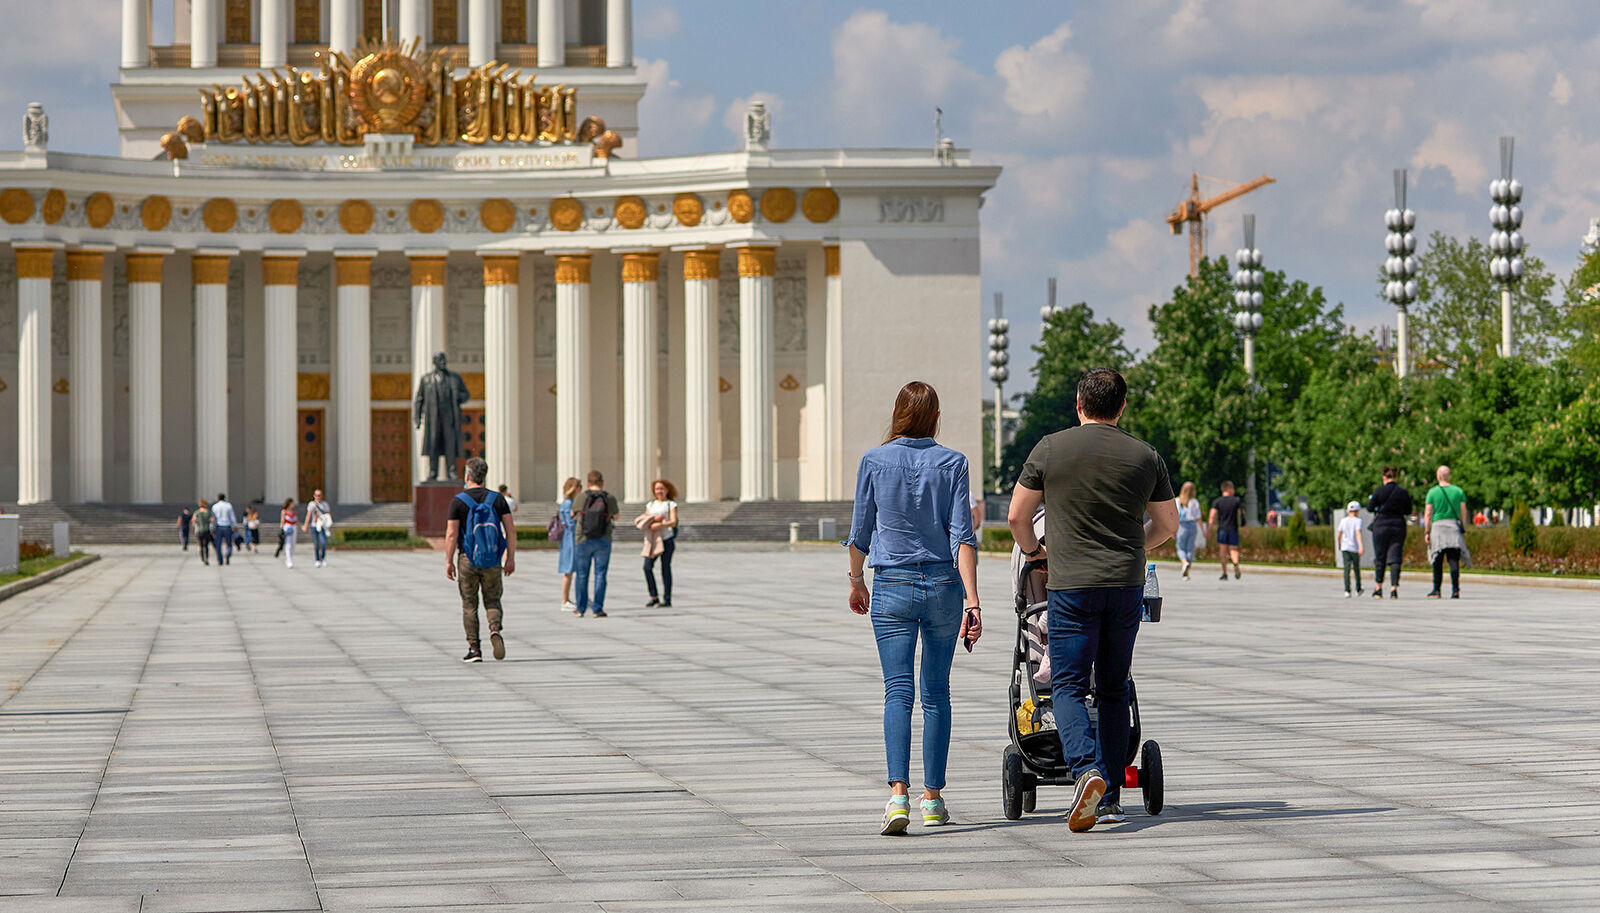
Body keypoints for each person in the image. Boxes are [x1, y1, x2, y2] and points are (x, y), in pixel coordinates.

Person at [1008, 367, 1178, 832]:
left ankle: (1086, 772)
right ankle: (1111, 799)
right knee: (1113, 687)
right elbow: (1167, 526)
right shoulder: (1145, 455)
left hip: (1070, 586)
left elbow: (1018, 517)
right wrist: (1134, 548)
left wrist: (1036, 554)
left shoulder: (1050, 448)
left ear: (1079, 404)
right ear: (1121, 407)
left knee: (1065, 684)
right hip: (1125, 585)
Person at [847, 381, 980, 836]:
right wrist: (974, 602)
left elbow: (860, 530)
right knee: (937, 693)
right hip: (944, 585)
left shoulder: (873, 460)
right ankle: (933, 800)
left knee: (897, 692)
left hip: (892, 584)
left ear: (897, 413)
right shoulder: (954, 462)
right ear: (936, 417)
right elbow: (962, 534)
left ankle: (897, 796)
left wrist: (855, 580)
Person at [445, 457, 516, 661]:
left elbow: (451, 534)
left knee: (469, 604)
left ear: (467, 476)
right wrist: (510, 558)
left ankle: (474, 649)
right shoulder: (497, 499)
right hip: (492, 558)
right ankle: (494, 628)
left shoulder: (458, 501)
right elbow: (510, 531)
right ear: (484, 476)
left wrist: (449, 561)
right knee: (493, 599)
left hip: (468, 558)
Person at [572, 470, 618, 618]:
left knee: (582, 575)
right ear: (602, 482)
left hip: (583, 539)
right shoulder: (609, 497)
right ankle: (597, 609)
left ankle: (580, 608)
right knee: (600, 574)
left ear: (587, 482)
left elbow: (573, 515)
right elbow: (615, 516)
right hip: (603, 539)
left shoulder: (581, 497)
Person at [1424, 464, 1469, 599]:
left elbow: (1428, 513)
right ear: (1449, 476)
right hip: (1453, 527)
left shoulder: (1432, 492)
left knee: (1437, 560)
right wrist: (1462, 524)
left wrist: (1427, 531)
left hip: (1438, 528)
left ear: (1438, 476)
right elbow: (1463, 511)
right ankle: (1455, 590)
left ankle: (1436, 590)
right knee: (1453, 560)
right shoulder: (1458, 491)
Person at [1367, 466, 1413, 600]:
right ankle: (1394, 589)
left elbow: (1370, 508)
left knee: (1380, 557)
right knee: (1395, 557)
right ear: (1396, 477)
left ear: (1384, 477)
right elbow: (1408, 510)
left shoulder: (1379, 491)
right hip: (1398, 526)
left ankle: (1378, 587)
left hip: (1381, 526)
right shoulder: (1402, 492)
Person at [636, 479, 679, 607]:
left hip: (666, 539)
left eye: (662, 489)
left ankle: (667, 599)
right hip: (653, 540)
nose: (659, 491)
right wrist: (653, 520)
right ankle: (654, 596)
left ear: (667, 490)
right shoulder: (651, 505)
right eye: (657, 489)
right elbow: (647, 518)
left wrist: (661, 524)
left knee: (665, 568)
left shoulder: (671, 504)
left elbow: (673, 522)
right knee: (647, 567)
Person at [1209, 481, 1244, 580]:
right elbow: (1242, 514)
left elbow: (1212, 517)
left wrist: (1209, 528)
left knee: (1223, 551)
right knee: (1233, 549)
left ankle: (1224, 573)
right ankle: (1236, 563)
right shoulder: (1236, 500)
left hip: (1222, 529)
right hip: (1233, 528)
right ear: (1229, 489)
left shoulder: (1217, 501)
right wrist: (1244, 526)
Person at [556, 477, 581, 611]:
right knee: (569, 570)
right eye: (579, 487)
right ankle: (564, 600)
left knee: (574, 570)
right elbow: (569, 523)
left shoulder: (572, 502)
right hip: (570, 539)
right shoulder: (568, 503)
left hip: (573, 538)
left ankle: (576, 598)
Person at [1175, 481, 1206, 579]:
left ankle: (1184, 562)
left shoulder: (1177, 501)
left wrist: (1172, 530)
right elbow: (1198, 518)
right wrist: (1203, 531)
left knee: (1180, 547)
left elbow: (1174, 517)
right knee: (1190, 548)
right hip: (1192, 525)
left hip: (1181, 525)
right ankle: (1187, 571)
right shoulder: (1194, 502)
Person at [1336, 501, 1365, 597]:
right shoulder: (1358, 521)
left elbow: (1339, 534)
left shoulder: (1343, 521)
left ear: (1348, 511)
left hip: (1345, 547)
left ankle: (1347, 590)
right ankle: (1358, 588)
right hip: (1354, 548)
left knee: (1346, 569)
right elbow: (1358, 533)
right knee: (1356, 568)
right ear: (1358, 511)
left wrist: (1339, 544)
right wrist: (1361, 546)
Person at [302, 490, 332, 568]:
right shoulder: (312, 504)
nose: (318, 497)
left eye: (320, 495)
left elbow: (328, 514)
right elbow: (308, 515)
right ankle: (317, 560)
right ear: (314, 496)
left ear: (322, 496)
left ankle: (323, 558)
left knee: (323, 543)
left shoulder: (325, 504)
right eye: (317, 495)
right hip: (314, 526)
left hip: (323, 526)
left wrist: (324, 518)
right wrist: (305, 525)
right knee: (316, 544)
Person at [211, 493, 236, 566]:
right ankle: (228, 554)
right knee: (229, 543)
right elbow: (232, 516)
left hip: (218, 527)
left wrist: (211, 527)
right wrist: (234, 525)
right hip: (227, 526)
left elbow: (213, 519)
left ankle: (220, 560)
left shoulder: (214, 506)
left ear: (218, 498)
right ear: (225, 498)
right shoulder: (228, 506)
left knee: (218, 544)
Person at [193, 499, 214, 565]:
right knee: (206, 546)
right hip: (207, 530)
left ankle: (202, 558)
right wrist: (212, 529)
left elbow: (193, 521)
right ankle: (206, 558)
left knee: (201, 545)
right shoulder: (208, 512)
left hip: (199, 531)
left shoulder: (196, 512)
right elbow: (212, 521)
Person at [279, 499, 298, 568]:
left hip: (294, 528)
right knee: (288, 544)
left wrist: (302, 527)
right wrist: (281, 530)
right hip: (287, 527)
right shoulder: (284, 511)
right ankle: (289, 560)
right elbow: (282, 521)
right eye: (292, 503)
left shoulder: (294, 512)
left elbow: (296, 520)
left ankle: (289, 558)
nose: (293, 505)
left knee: (293, 545)